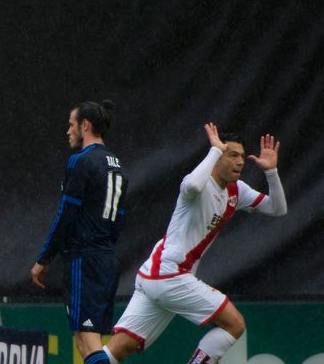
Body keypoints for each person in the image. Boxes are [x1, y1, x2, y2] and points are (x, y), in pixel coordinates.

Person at [101, 123, 287, 364]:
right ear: (218, 157)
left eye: (242, 156)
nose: (240, 161)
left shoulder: (236, 190)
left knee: (120, 348)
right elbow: (190, 186)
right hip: (169, 275)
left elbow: (278, 209)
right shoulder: (198, 186)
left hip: (157, 277)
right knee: (235, 324)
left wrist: (271, 172)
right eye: (232, 155)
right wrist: (214, 150)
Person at [30, 100, 128, 364]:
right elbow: (119, 217)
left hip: (85, 258)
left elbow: (66, 214)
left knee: (87, 340)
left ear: (85, 126)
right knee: (84, 343)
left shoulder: (81, 161)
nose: (68, 131)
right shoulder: (117, 165)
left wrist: (44, 258)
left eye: (71, 125)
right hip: (106, 257)